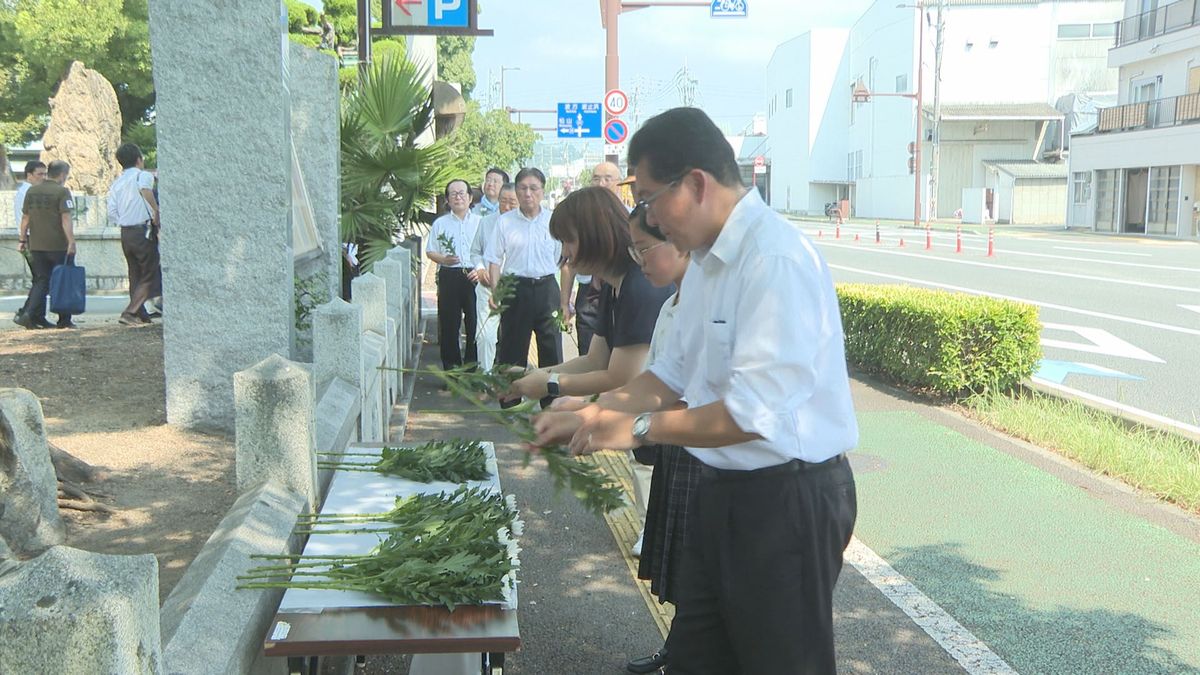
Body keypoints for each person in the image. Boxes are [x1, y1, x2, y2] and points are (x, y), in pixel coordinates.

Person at [534, 107, 859, 674]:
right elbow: (668, 376)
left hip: (788, 501)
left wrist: (633, 428)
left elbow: (750, 416)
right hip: (723, 491)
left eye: (651, 198)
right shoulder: (707, 265)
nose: (648, 217)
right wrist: (593, 410)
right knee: (696, 659)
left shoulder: (773, 260)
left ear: (696, 184)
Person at [502, 187, 673, 411]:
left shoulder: (639, 286)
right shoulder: (611, 286)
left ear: (595, 234)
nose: (565, 252)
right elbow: (595, 360)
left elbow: (622, 378)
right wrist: (534, 375)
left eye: (568, 241)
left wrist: (551, 384)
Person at [484, 167, 563, 379]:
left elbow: (564, 261)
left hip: (547, 288)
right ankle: (510, 404)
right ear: (516, 191)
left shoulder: (554, 221)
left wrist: (565, 300)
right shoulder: (505, 222)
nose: (528, 193)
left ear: (543, 191)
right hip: (515, 289)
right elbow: (494, 260)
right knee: (512, 349)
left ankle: (552, 402)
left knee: (552, 348)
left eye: (533, 188)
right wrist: (496, 292)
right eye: (523, 188)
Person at [561, 161, 624, 356]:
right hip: (588, 291)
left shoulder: (630, 218)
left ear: (619, 183)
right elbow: (568, 265)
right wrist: (565, 303)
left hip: (617, 288)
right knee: (588, 349)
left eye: (607, 179)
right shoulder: (581, 220)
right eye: (596, 179)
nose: (601, 183)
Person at [426, 178, 480, 370]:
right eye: (453, 194)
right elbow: (430, 251)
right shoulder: (441, 224)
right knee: (449, 325)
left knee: (475, 324)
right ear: (447, 199)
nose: (458, 197)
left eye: (462, 193)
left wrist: (480, 269)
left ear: (470, 197)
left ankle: (472, 369)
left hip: (474, 276)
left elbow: (489, 251)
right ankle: (452, 370)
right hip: (449, 275)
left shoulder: (480, 223)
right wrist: (443, 260)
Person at [15, 160, 76, 330]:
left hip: (36, 245)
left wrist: (22, 240)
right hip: (58, 245)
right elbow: (66, 218)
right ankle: (64, 320)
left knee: (41, 281)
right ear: (63, 175)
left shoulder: (32, 191)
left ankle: (29, 314)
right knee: (62, 280)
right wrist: (71, 241)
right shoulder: (62, 192)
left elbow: (25, 218)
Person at [108, 143, 161, 327]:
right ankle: (130, 312)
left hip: (126, 232)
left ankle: (140, 313)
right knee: (150, 273)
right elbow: (146, 190)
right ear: (139, 159)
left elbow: (112, 211)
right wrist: (156, 210)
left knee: (134, 273)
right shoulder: (143, 176)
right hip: (142, 230)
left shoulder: (117, 183)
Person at [469, 182, 518, 372]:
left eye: (512, 202)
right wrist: (481, 269)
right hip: (487, 285)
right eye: (503, 201)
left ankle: (510, 377)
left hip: (514, 286)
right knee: (485, 336)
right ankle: (484, 378)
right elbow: (475, 252)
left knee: (513, 336)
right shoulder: (487, 222)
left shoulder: (523, 224)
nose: (507, 206)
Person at [12, 161, 47, 326]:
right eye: (40, 174)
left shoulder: (26, 191)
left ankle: (33, 314)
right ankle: (28, 313)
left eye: (45, 174)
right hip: (31, 239)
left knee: (40, 278)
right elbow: (27, 218)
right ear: (29, 175)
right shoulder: (29, 192)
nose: (43, 178)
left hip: (30, 238)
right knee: (42, 277)